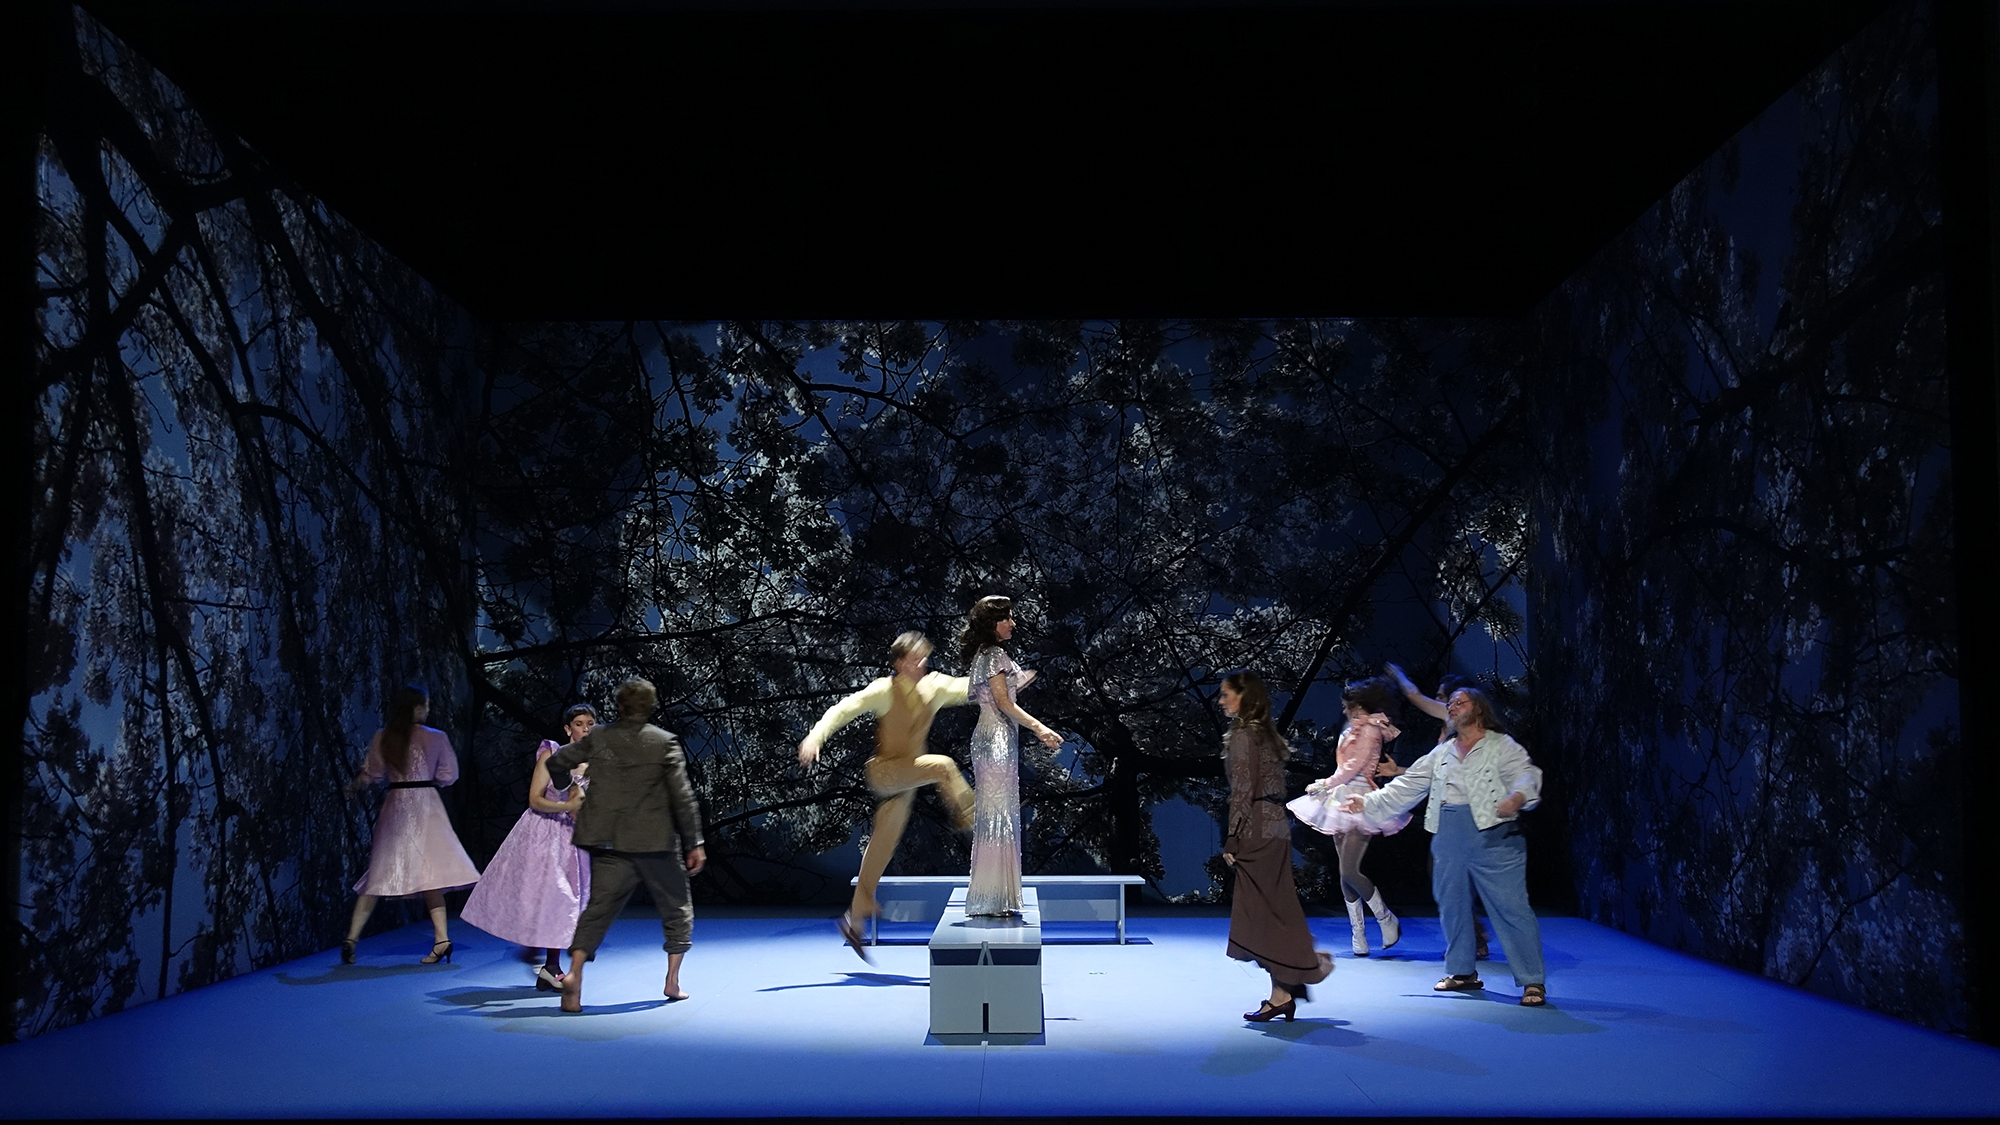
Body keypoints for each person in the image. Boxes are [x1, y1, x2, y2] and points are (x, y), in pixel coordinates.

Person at [1345, 686, 1549, 1006]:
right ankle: (1463, 972)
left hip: (1494, 832)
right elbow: (1409, 785)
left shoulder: (1500, 745)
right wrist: (1368, 802)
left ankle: (1532, 980)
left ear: (1478, 709)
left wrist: (1518, 796)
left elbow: (1526, 774)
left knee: (1511, 907)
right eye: (1449, 704)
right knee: (1452, 904)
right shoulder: (1443, 752)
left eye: (1459, 702)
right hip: (1449, 832)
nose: (1451, 707)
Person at [798, 631, 978, 959]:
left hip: (907, 781)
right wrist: (815, 736)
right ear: (900, 663)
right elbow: (843, 710)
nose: (923, 663)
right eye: (916, 659)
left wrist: (1006, 683)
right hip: (885, 773)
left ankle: (854, 920)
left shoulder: (935, 686)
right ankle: (974, 822)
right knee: (943, 766)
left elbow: (968, 687)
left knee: (882, 845)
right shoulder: (884, 690)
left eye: (925, 657)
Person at [542, 678, 706, 1013]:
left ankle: (574, 975)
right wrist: (694, 843)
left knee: (597, 911)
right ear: (649, 707)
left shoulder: (600, 736)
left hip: (611, 842)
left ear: (619, 706)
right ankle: (672, 981)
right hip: (654, 843)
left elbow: (555, 763)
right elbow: (682, 797)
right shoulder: (663, 742)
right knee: (677, 909)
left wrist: (569, 788)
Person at [1220, 671, 1334, 1023]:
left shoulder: (1244, 736)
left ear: (1244, 697)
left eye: (1226, 694)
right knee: (1272, 908)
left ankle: (1303, 967)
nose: (1221, 701)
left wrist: (1233, 837)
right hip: (1275, 826)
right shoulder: (1265, 734)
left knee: (1262, 913)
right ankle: (1284, 991)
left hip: (1256, 828)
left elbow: (1243, 791)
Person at [342, 684, 483, 965]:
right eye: (426, 705)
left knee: (379, 873)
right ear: (417, 708)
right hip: (426, 804)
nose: (428, 710)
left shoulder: (384, 737)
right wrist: (433, 780)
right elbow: (449, 774)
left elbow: (373, 773)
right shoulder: (437, 737)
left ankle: (352, 938)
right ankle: (441, 939)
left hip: (396, 805)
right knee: (432, 874)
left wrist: (354, 785)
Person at [460, 704, 598, 989]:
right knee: (548, 897)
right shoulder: (552, 754)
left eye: (590, 723)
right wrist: (567, 806)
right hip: (543, 834)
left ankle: (548, 965)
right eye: (579, 723)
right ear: (567, 728)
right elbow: (535, 799)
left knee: (565, 902)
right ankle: (547, 962)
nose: (585, 729)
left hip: (572, 840)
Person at [1287, 676, 1408, 956]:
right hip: (1341, 795)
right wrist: (1330, 785)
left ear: (1357, 704)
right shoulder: (1355, 727)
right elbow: (1345, 765)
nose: (1343, 710)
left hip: (1360, 798)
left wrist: (1325, 783)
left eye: (1346, 705)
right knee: (1344, 870)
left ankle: (1386, 919)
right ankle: (1359, 935)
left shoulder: (1371, 729)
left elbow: (1354, 766)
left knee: (1349, 870)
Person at [960, 596, 1062, 917]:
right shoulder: (993, 655)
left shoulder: (986, 655)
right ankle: (992, 897)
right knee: (997, 816)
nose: (1013, 623)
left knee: (996, 815)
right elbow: (1004, 703)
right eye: (1007, 618)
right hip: (996, 740)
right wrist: (1040, 728)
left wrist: (1023, 678)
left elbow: (1001, 692)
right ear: (993, 624)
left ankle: (994, 896)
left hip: (993, 737)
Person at [1386, 663, 1489, 958]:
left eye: (1444, 697)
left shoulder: (1454, 718)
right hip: (1447, 811)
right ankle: (1473, 938)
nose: (1442, 702)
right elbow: (1433, 772)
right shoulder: (1451, 728)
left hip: (1462, 812)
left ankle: (1469, 942)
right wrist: (1398, 771)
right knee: (1449, 879)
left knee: (1449, 879)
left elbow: (1415, 696)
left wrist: (1398, 675)